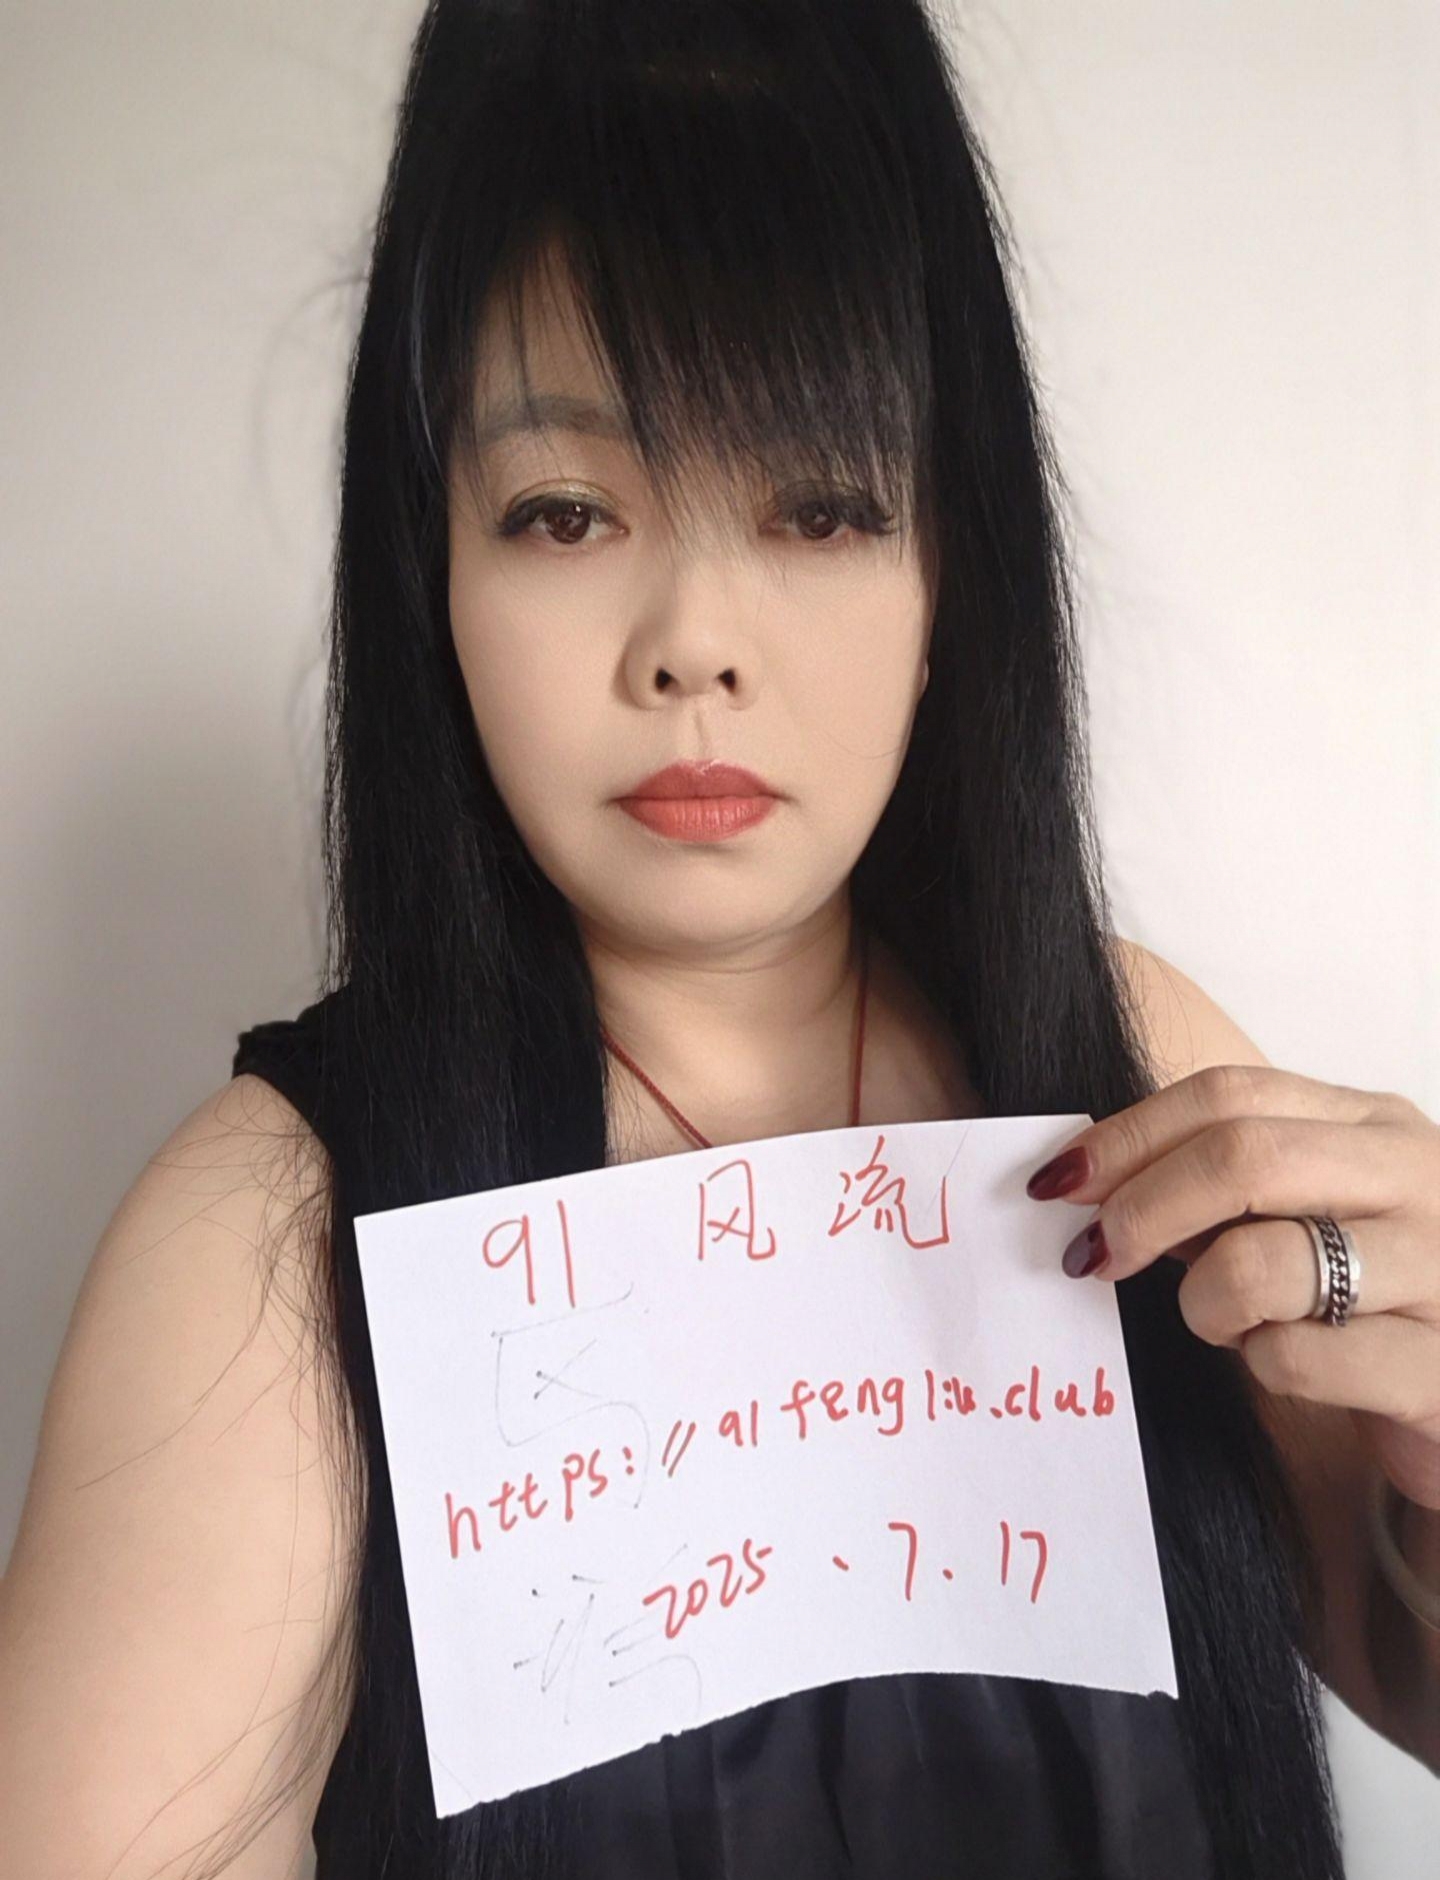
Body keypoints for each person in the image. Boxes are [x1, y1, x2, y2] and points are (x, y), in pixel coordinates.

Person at [3, 1, 1437, 1875]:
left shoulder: (1130, 1063)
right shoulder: (258, 1247)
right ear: (430, 569)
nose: (694, 640)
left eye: (821, 505)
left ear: (953, 563)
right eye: (566, 511)